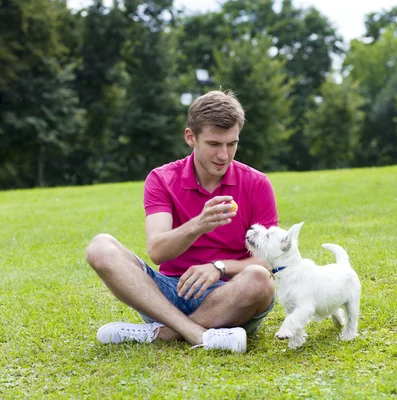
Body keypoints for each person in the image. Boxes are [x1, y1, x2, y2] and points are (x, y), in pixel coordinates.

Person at [85, 90, 278, 353]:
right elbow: (157, 251)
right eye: (214, 144)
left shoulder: (257, 183)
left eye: (231, 144)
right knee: (100, 247)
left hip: (231, 295)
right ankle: (195, 333)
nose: (224, 155)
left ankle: (163, 333)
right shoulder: (162, 179)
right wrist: (199, 224)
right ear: (191, 137)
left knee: (260, 279)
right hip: (171, 293)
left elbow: (270, 260)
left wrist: (218, 267)